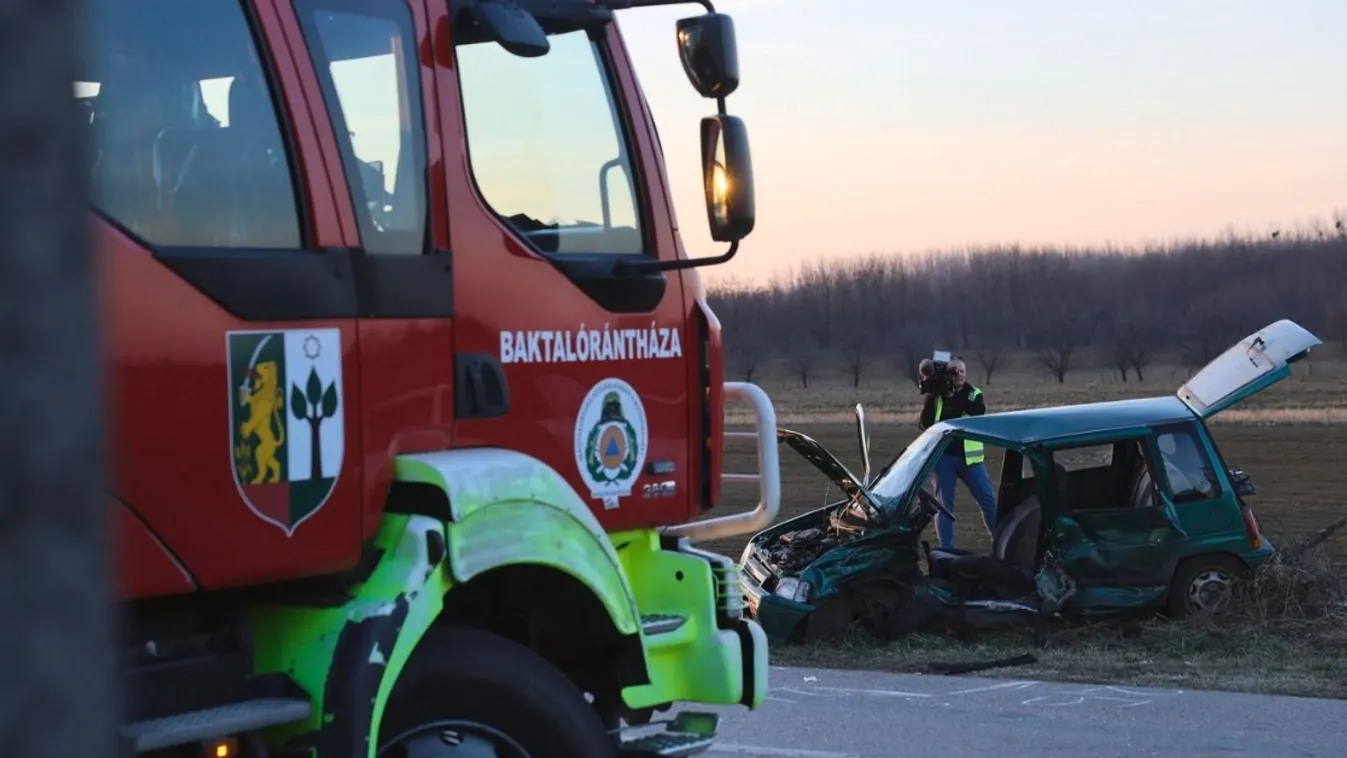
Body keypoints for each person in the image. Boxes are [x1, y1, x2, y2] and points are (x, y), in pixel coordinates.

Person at [917, 357, 999, 549]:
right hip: (942, 458)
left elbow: (978, 412)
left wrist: (954, 395)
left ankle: (1000, 542)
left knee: (988, 501)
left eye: (962, 371)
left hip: (970, 459)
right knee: (944, 505)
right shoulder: (937, 396)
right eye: (954, 371)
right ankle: (946, 549)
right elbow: (924, 424)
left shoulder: (973, 394)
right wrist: (932, 395)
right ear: (947, 374)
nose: (959, 375)